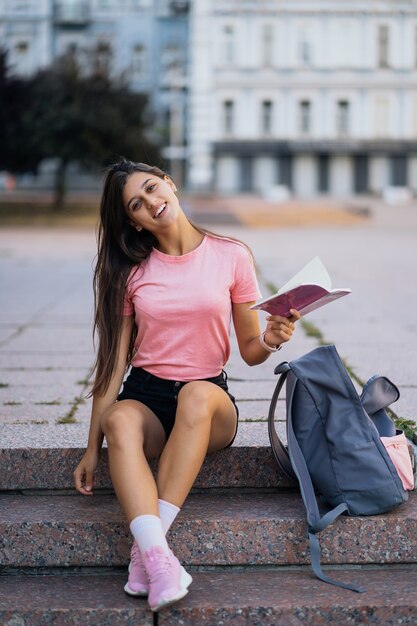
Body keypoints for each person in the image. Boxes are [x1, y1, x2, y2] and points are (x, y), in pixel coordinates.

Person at [73, 159, 300, 613]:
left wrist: (273, 339)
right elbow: (113, 368)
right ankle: (156, 559)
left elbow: (250, 349)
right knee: (120, 418)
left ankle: (149, 551)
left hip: (209, 399)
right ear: (132, 222)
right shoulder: (131, 273)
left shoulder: (231, 254)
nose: (152, 203)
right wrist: (91, 447)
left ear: (170, 184)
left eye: (153, 188)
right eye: (136, 204)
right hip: (147, 396)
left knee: (196, 394)